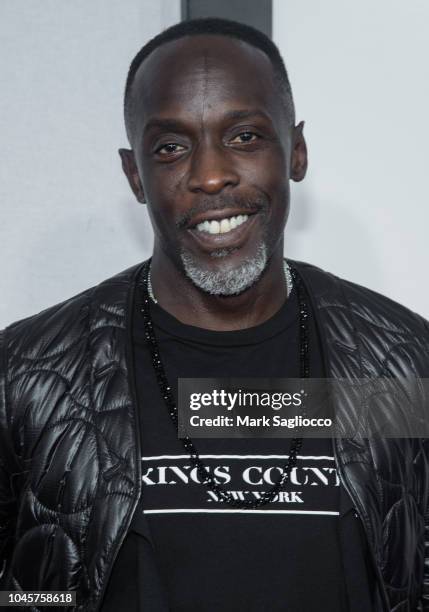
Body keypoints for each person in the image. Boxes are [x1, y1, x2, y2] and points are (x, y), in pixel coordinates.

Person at [1, 17, 428, 612]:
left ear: (296, 151)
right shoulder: (27, 374)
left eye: (246, 136)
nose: (209, 176)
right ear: (135, 176)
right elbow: (25, 591)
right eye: (171, 148)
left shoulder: (405, 359)